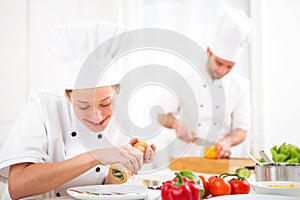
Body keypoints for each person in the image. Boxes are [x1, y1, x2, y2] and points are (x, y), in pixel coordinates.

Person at [0, 21, 156, 199]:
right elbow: (18, 185)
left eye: (105, 103)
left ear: (117, 91)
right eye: (83, 106)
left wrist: (123, 167)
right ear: (68, 96)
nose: (97, 116)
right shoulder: (43, 107)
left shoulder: (125, 120)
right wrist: (97, 155)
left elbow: (104, 190)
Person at [157, 8, 254, 159]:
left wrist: (228, 141)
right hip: (185, 159)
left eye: (229, 66)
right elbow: (160, 114)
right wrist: (176, 124)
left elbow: (241, 130)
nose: (222, 71)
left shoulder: (241, 86)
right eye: (219, 63)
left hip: (220, 160)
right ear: (209, 52)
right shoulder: (184, 78)